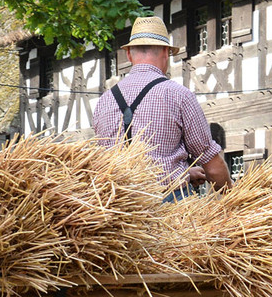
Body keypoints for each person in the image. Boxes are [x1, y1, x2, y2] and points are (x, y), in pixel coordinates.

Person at [94, 16, 231, 197]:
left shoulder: (104, 100)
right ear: (166, 52)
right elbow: (212, 165)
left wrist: (185, 173)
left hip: (119, 209)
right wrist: (233, 197)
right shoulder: (178, 95)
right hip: (168, 207)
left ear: (129, 55)